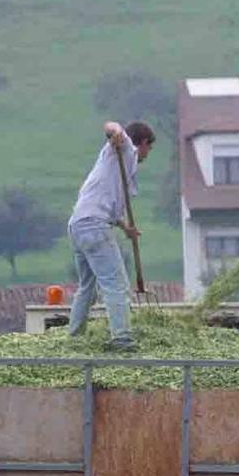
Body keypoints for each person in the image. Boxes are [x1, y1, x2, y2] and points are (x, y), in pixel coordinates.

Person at [67, 120, 155, 351]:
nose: (148, 154)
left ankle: (74, 337)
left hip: (78, 225)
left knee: (87, 285)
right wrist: (115, 132)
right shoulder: (124, 149)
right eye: (150, 148)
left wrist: (125, 227)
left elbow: (107, 203)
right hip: (94, 226)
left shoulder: (118, 167)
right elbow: (111, 125)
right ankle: (122, 339)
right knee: (117, 284)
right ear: (143, 143)